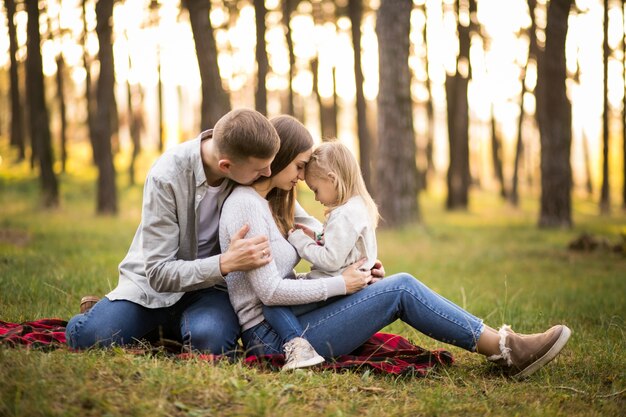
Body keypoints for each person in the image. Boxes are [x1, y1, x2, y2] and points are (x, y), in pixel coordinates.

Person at [220, 115, 571, 379]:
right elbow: (268, 291)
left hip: (295, 317)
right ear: (276, 159)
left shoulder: (278, 201)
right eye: (298, 166)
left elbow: (322, 241)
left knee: (394, 283)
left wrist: (361, 267)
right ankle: (506, 350)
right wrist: (343, 284)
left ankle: (503, 345)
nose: (301, 175)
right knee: (401, 288)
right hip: (273, 338)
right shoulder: (246, 205)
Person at [66, 108, 283, 354]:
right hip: (150, 289)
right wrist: (225, 263)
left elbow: (293, 211)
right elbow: (158, 273)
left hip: (209, 290)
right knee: (89, 339)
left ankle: (163, 329)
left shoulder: (247, 163)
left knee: (211, 345)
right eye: (260, 170)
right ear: (225, 165)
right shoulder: (167, 176)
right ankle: (107, 315)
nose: (267, 173)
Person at [261, 141, 379, 370]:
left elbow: (330, 259)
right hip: (344, 281)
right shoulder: (357, 207)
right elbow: (341, 247)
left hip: (336, 285)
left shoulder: (343, 214)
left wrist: (299, 241)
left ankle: (298, 345)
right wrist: (316, 237)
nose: (316, 198)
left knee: (272, 305)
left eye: (315, 189)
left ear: (332, 179)